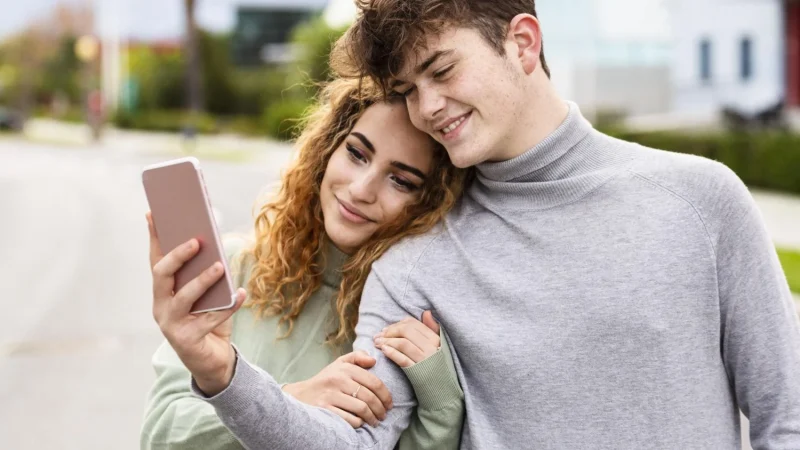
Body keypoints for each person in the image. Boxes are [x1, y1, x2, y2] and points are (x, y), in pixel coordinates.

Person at [151, 1, 800, 449]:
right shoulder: (412, 263)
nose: (427, 107)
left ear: (522, 42)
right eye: (407, 88)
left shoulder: (701, 199)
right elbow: (351, 440)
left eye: (442, 71)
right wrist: (222, 372)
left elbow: (786, 414)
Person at [141, 77, 469, 449]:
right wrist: (291, 399)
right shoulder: (236, 267)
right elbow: (161, 435)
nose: (361, 189)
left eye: (400, 180)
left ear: (431, 204)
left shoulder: (407, 321)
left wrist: (442, 405)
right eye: (357, 154)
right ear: (328, 150)